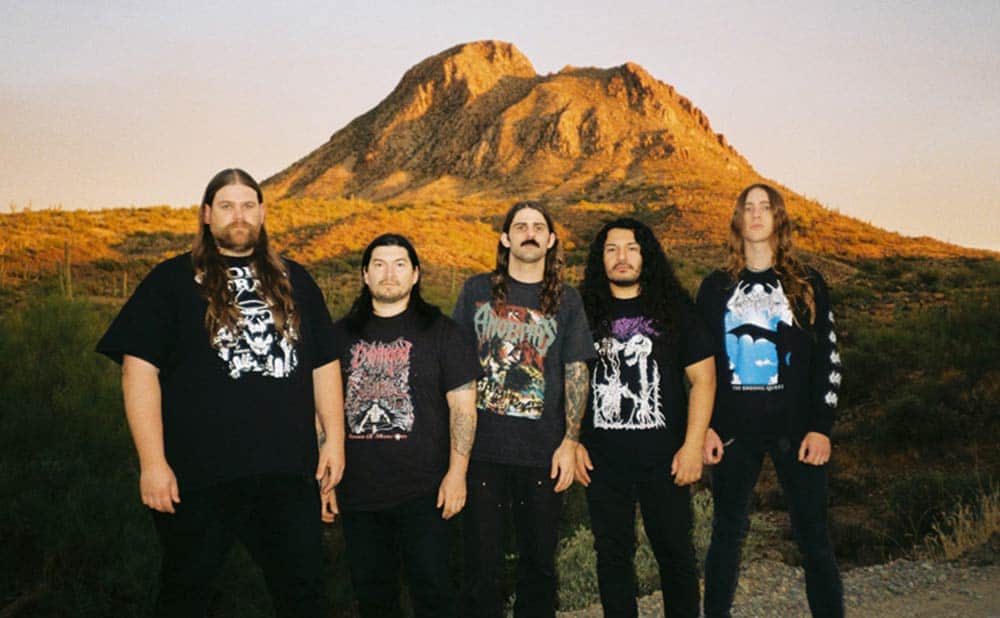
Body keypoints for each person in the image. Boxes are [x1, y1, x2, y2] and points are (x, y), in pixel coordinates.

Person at [96, 168, 343, 617]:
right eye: (227, 206)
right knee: (185, 594)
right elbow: (138, 372)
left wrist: (334, 444)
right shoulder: (170, 281)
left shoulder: (297, 280)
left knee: (305, 595)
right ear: (207, 215)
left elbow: (324, 365)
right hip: (200, 476)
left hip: (287, 472)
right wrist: (152, 465)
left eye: (248, 205)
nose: (239, 216)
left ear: (263, 213)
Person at [698, 183, 844, 617]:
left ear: (778, 219)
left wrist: (822, 426)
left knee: (814, 537)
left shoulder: (807, 285)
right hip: (732, 431)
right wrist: (705, 426)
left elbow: (828, 360)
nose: (757, 215)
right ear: (738, 219)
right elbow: (700, 366)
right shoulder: (715, 287)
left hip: (796, 431)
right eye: (749, 208)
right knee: (726, 535)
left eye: (765, 208)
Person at [325, 234, 480, 618]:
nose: (388, 273)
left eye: (399, 264)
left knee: (434, 592)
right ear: (364, 275)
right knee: (374, 598)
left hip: (426, 492)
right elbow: (321, 411)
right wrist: (326, 478)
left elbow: (464, 408)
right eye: (379, 264)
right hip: (359, 493)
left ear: (415, 275)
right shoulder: (338, 336)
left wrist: (457, 474)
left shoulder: (445, 332)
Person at [453, 201, 595, 617]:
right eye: (520, 226)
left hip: (542, 454)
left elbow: (576, 371)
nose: (529, 232)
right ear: (505, 238)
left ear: (550, 240)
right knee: (481, 569)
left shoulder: (567, 301)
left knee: (539, 568)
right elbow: (457, 368)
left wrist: (570, 440)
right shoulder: (476, 291)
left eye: (538, 227)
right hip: (482, 455)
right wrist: (455, 455)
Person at [575, 218, 715, 618]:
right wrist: (573, 440)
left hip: (665, 459)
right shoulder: (582, 311)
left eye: (631, 248)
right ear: (600, 259)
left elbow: (703, 380)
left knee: (675, 554)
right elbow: (569, 381)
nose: (622, 257)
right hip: (602, 462)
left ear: (646, 255)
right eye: (612, 249)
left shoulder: (675, 308)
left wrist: (692, 446)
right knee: (612, 557)